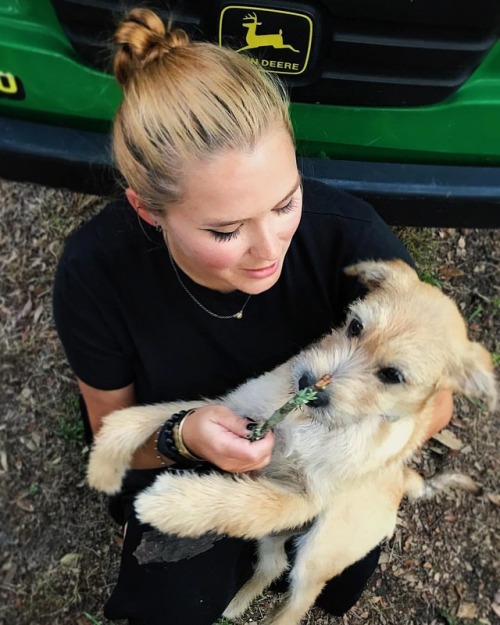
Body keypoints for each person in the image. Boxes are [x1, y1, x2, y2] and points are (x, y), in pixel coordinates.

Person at [53, 8, 453, 625]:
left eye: (286, 201)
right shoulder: (94, 273)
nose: (270, 250)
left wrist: (341, 452)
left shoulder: (354, 242)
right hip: (185, 467)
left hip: (325, 465)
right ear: (147, 209)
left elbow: (439, 400)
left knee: (329, 557)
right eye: (225, 229)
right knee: (169, 602)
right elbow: (113, 440)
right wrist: (184, 435)